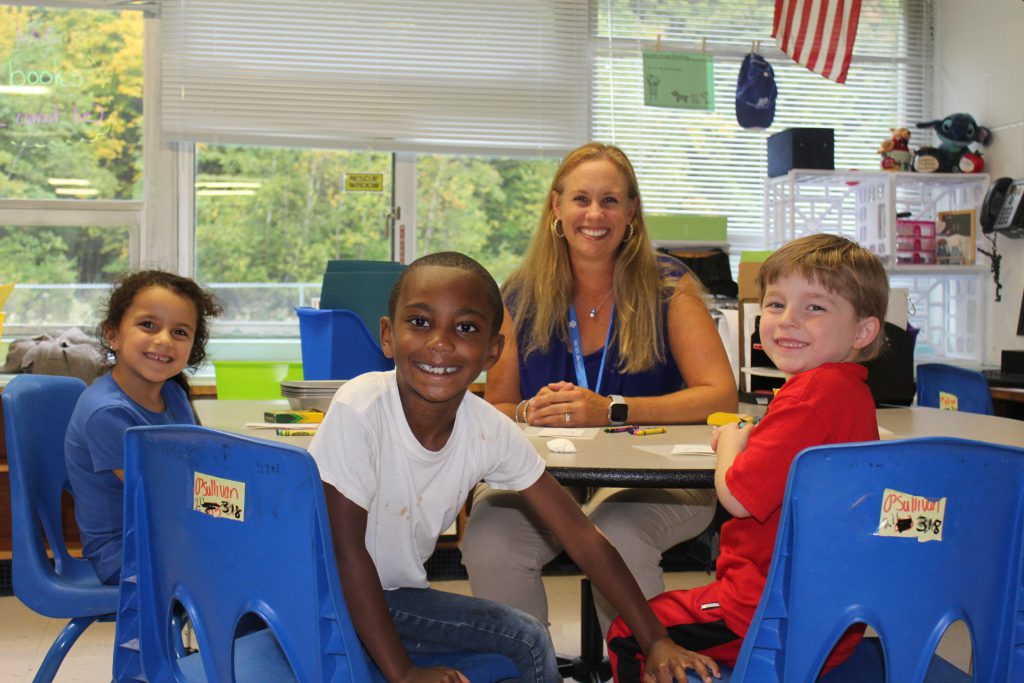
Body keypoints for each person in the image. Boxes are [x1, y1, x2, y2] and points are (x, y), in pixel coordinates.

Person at [309, 251, 722, 683]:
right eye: (420, 322)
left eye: (465, 328)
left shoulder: (488, 428)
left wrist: (655, 639)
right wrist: (403, 671)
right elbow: (344, 552)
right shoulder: (361, 407)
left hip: (400, 599)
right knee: (524, 638)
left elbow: (581, 537)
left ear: (494, 350)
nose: (441, 342)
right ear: (388, 336)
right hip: (324, 593)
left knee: (520, 643)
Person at [461, 142, 737, 634]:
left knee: (617, 533)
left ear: (632, 211)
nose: (595, 214)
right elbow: (498, 404)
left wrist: (612, 410)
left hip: (659, 482)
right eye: (581, 199)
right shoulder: (517, 294)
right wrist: (528, 412)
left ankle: (643, 663)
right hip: (547, 480)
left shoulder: (671, 289)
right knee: (490, 538)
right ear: (556, 207)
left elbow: (720, 396)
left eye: (610, 200)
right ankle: (526, 667)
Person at [607, 233, 889, 680]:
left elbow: (738, 496)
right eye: (776, 305)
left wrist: (733, 445)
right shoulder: (849, 391)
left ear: (863, 331)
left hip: (765, 610)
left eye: (814, 307)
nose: (787, 321)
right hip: (832, 614)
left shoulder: (810, 395)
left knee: (631, 630)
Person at [65, 270, 222, 586]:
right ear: (114, 335)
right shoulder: (108, 414)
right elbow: (169, 497)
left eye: (180, 332)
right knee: (265, 558)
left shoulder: (173, 394)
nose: (164, 340)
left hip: (171, 536)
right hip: (129, 556)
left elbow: (199, 471)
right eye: (148, 325)